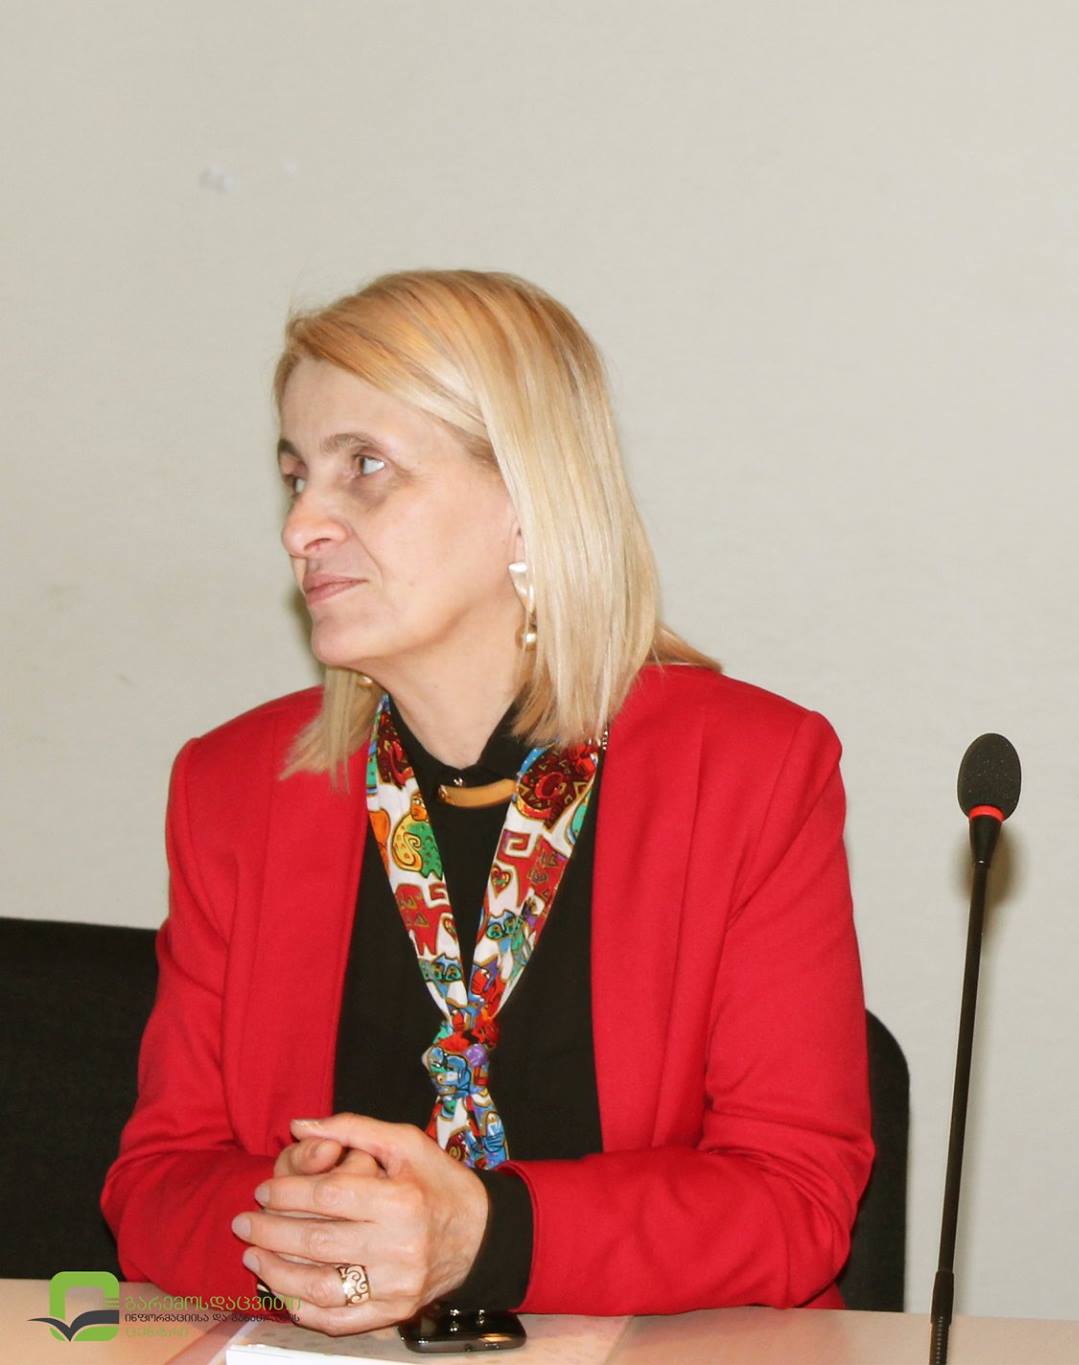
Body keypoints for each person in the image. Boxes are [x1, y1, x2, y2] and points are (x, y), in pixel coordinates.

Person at [102, 270, 872, 1335]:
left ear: (526, 499)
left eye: (364, 467)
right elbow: (158, 1185)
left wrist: (481, 1237)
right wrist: (327, 1249)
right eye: (296, 477)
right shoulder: (232, 787)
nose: (301, 526)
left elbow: (795, 1201)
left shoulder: (750, 770)